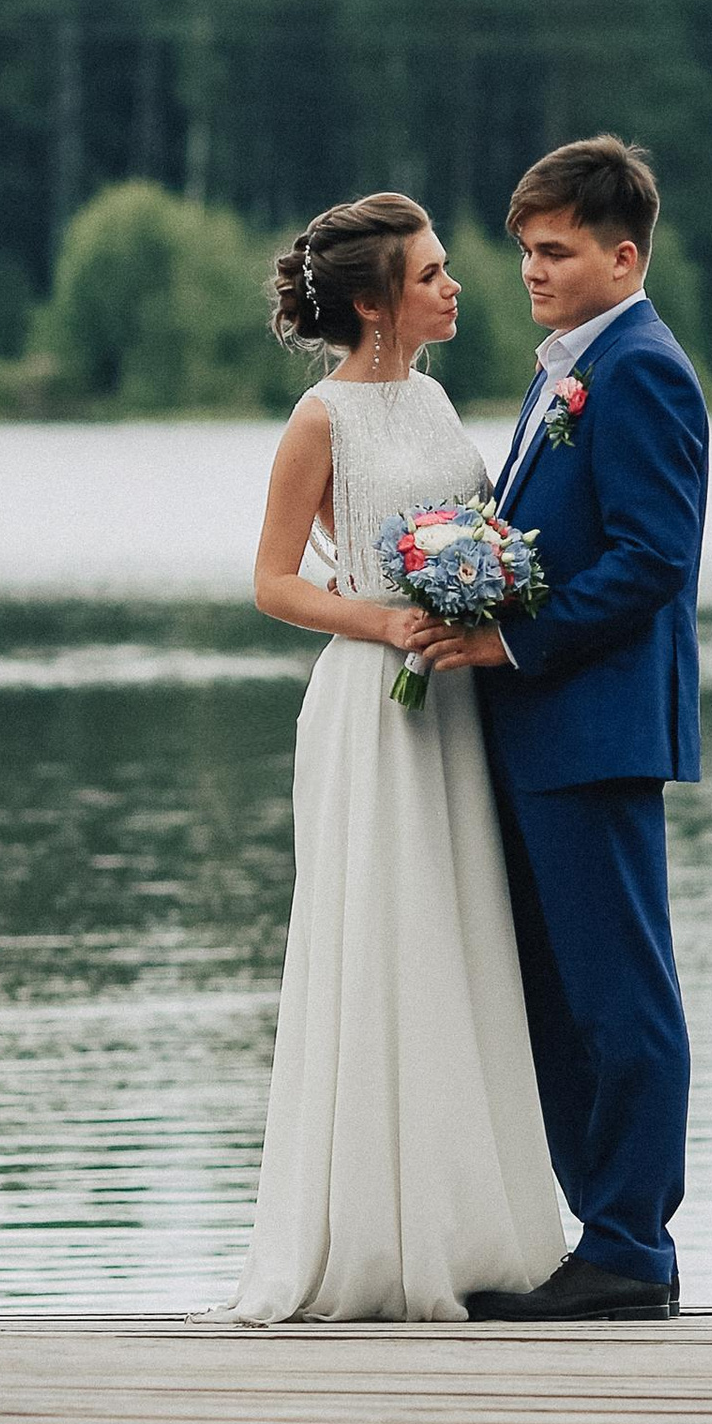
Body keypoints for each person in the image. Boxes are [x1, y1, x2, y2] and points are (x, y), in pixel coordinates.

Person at [229, 192, 566, 1323]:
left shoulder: (428, 396)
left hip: (456, 702)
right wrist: (382, 621)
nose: (454, 285)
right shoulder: (320, 420)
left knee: (462, 939)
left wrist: (483, 588)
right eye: (431, 274)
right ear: (376, 304)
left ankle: (478, 1224)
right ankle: (375, 1234)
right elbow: (274, 580)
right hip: (377, 703)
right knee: (386, 939)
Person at [407, 135, 708, 1323]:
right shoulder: (564, 369)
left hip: (595, 728)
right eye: (524, 248)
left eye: (554, 251)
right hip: (539, 732)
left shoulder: (640, 368)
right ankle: (601, 1236)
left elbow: (651, 560)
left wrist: (508, 641)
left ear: (622, 255)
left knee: (620, 997)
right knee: (554, 996)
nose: (528, 269)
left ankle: (633, 1245)